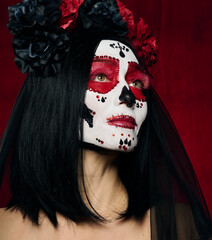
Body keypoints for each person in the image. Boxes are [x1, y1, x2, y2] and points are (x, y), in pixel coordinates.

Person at [0, 0, 211, 239]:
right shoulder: (3, 227)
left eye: (137, 82)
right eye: (101, 76)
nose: (128, 96)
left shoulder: (179, 223)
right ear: (59, 95)